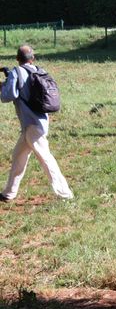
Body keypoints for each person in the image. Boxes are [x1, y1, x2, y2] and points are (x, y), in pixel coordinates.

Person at [0, 45, 73, 202]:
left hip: (31, 125)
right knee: (18, 156)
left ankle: (64, 193)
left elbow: (9, 95)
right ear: (33, 58)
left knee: (46, 158)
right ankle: (8, 193)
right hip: (37, 122)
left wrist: (3, 85)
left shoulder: (16, 72)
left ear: (17, 58)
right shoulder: (38, 70)